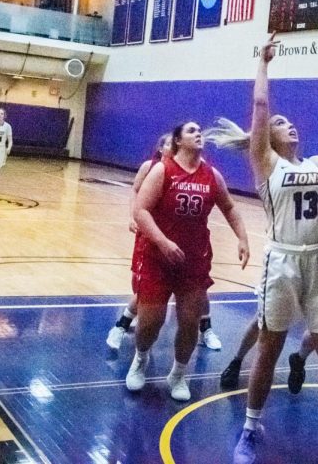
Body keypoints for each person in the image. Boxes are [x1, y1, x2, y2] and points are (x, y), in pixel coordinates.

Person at [206, 33, 318, 464]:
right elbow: (260, 108)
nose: (287, 124)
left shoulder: (317, 164)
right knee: (270, 347)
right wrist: (263, 63)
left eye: (288, 121)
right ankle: (249, 427)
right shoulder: (265, 162)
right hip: (281, 261)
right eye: (280, 123)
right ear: (268, 137)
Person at [124, 121, 250, 402]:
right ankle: (140, 358)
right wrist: (163, 242)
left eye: (199, 131)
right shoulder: (162, 170)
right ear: (178, 141)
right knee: (150, 323)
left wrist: (242, 238)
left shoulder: (211, 175)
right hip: (157, 257)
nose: (198, 134)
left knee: (190, 322)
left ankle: (178, 374)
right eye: (191, 131)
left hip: (193, 260)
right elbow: (141, 210)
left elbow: (229, 207)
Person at [218, 190, 318, 391]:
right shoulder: (298, 190)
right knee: (262, 321)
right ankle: (237, 361)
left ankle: (299, 359)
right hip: (290, 266)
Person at [106, 133, 171, 350]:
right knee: (142, 284)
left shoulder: (183, 171)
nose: (172, 147)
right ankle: (122, 325)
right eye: (168, 143)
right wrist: (133, 216)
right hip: (148, 231)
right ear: (161, 148)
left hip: (171, 235)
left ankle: (204, 328)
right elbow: (135, 190)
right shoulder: (149, 167)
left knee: (192, 292)